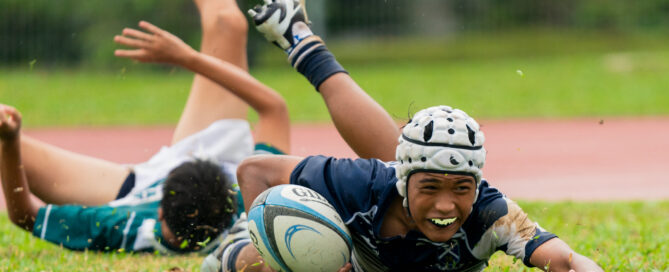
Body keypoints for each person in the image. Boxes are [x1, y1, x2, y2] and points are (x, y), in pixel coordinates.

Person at [208, 0, 605, 271]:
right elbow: (254, 171)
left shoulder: (492, 214)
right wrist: (272, 250)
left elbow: (566, 261)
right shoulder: (361, 185)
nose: (445, 204)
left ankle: (299, 37)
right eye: (430, 187)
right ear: (399, 177)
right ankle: (230, 249)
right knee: (251, 262)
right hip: (346, 248)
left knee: (424, 165)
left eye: (462, 187)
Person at [0, 0, 289, 254]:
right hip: (220, 161)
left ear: (160, 212)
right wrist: (187, 58)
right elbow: (273, 108)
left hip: (129, 188)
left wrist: (11, 139)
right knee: (227, 23)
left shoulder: (126, 225)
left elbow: (25, 214)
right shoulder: (250, 201)